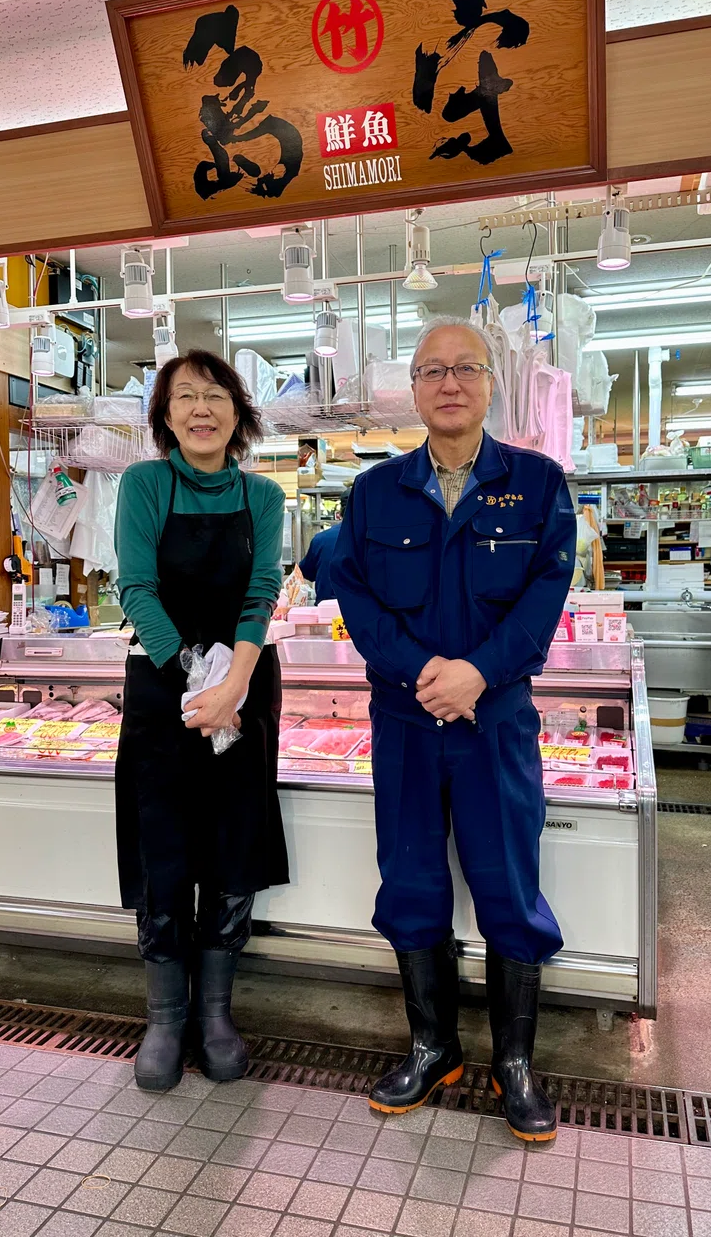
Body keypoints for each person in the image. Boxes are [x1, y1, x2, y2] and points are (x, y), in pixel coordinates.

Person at [331, 316, 576, 1142]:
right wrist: (421, 676)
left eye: (464, 368)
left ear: (490, 381)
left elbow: (543, 600)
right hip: (404, 721)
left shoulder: (540, 485)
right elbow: (357, 604)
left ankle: (514, 1064)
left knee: (508, 885)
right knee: (409, 883)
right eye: (432, 371)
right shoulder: (372, 493)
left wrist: (476, 674)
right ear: (413, 386)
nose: (449, 383)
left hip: (495, 723)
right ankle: (433, 1046)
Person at [114, 348, 288, 1092]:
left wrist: (233, 683)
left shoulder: (264, 497)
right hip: (164, 692)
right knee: (164, 848)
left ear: (238, 413)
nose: (201, 410)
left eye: (215, 396)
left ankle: (215, 1012)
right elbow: (136, 586)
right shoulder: (144, 483)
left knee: (230, 845)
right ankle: (164, 1015)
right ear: (166, 415)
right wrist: (196, 678)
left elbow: (261, 590)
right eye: (185, 397)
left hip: (243, 691)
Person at [298, 489, 351, 602]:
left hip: (325, 612)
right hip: (362, 612)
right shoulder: (372, 541)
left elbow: (306, 572)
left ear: (340, 514)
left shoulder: (321, 539)